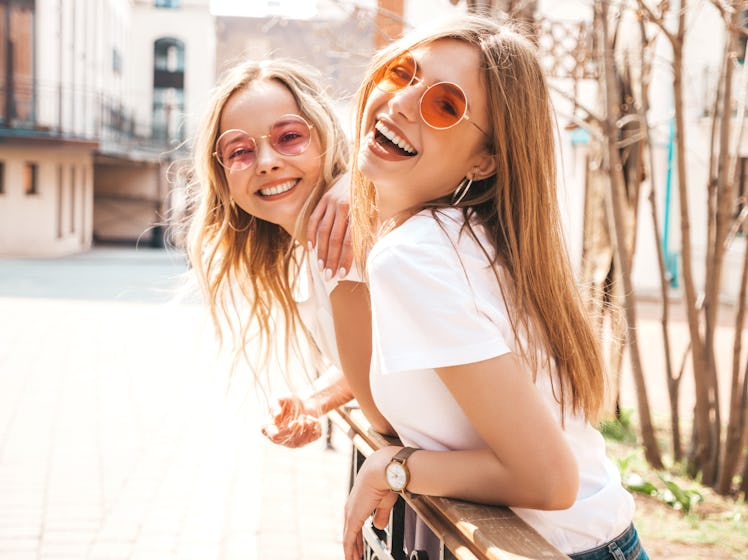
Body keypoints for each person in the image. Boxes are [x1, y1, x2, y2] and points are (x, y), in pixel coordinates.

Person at [343, 14, 647, 560]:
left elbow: (548, 479)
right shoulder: (465, 239)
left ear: (485, 162)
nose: (403, 102)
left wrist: (392, 470)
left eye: (444, 105)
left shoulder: (415, 255)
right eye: (403, 72)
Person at [184, 58, 392, 447]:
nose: (266, 163)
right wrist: (313, 401)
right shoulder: (319, 243)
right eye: (239, 151)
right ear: (223, 178)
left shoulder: (358, 229)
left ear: (325, 137)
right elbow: (386, 356)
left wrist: (361, 185)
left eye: (289, 137)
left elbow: (386, 403)